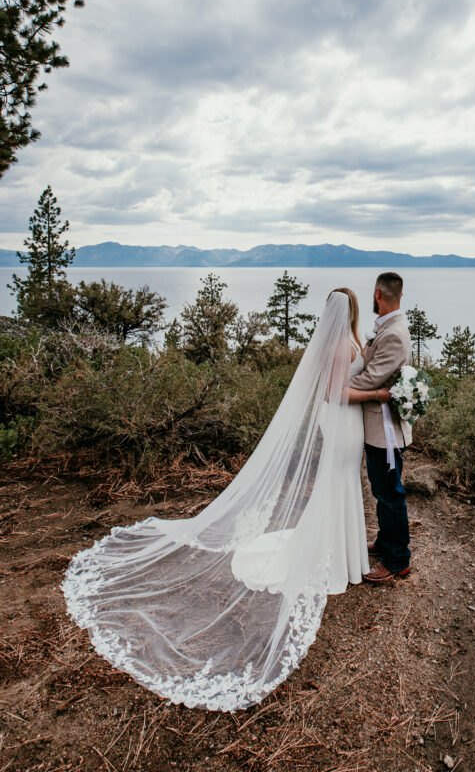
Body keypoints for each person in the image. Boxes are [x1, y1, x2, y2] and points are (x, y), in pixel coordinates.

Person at [61, 288, 387, 713]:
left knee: (344, 486)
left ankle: (343, 556)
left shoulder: (352, 340)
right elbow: (332, 393)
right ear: (350, 310)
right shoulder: (342, 344)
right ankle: (334, 557)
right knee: (336, 485)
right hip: (342, 423)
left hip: (350, 428)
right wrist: (380, 397)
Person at [350, 272, 413, 584]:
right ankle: (387, 542)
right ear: (397, 296)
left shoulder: (392, 335)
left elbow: (371, 379)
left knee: (390, 494)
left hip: (385, 429)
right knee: (382, 489)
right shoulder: (388, 328)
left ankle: (398, 560)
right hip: (379, 427)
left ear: (378, 295)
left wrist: (337, 384)